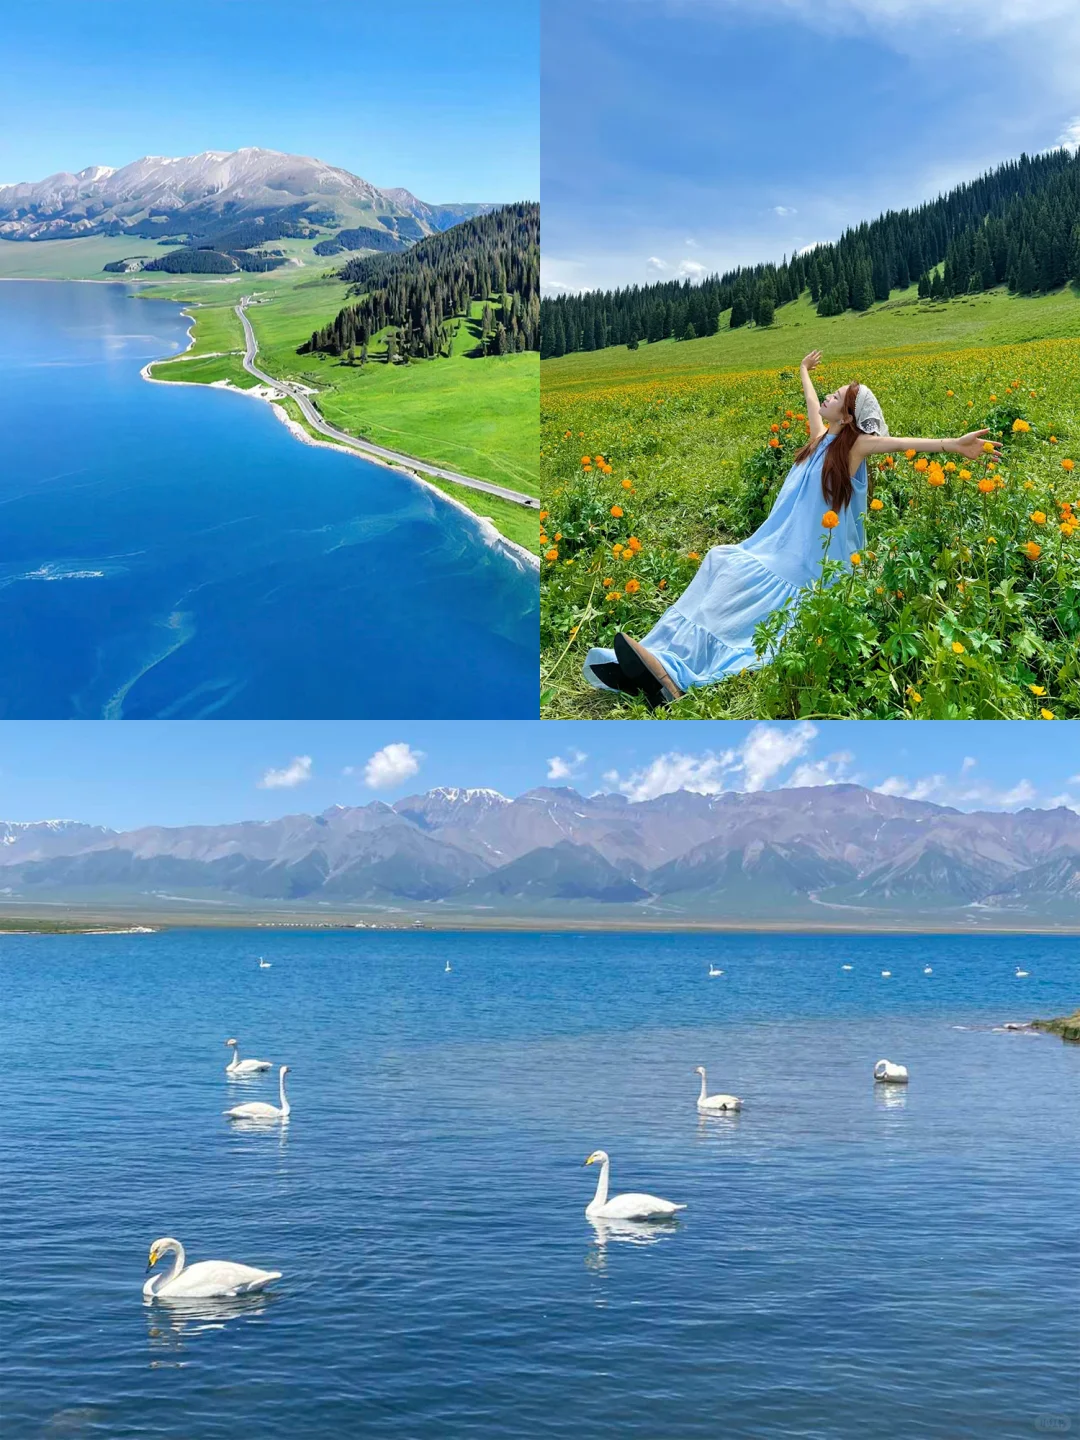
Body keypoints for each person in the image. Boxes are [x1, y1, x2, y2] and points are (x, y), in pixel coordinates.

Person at [584, 349, 1004, 709]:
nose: (828, 396)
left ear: (849, 416)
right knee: (719, 559)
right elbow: (810, 399)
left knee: (732, 576)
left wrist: (954, 445)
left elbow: (903, 443)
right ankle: (651, 657)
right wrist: (803, 370)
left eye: (837, 396)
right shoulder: (820, 440)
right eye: (830, 391)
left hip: (811, 567)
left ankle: (674, 675)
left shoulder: (855, 448)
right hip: (777, 549)